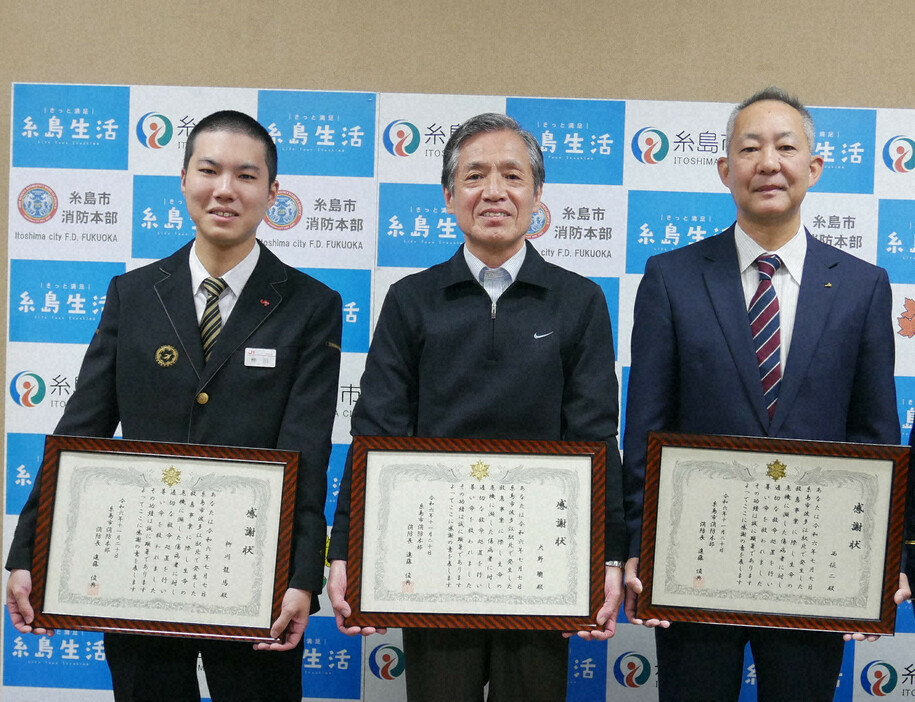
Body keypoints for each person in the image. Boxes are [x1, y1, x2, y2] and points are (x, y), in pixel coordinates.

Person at [5, 110, 342, 702]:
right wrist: (30, 549)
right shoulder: (133, 294)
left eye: (246, 175)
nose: (225, 189)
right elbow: (78, 429)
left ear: (272, 193)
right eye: (209, 170)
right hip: (138, 569)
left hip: (254, 572)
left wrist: (301, 576)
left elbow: (306, 452)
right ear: (183, 180)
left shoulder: (311, 305)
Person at [621, 86, 910, 701]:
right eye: (749, 149)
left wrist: (880, 558)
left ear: (814, 167)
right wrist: (641, 545)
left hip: (815, 564)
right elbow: (646, 426)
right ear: (725, 169)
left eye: (785, 147)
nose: (768, 163)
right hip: (692, 561)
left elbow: (876, 433)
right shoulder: (671, 278)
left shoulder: (862, 287)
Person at [326, 112, 627, 701]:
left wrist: (608, 556)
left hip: (546, 562)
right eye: (475, 176)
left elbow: (595, 437)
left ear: (537, 195)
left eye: (512, 176)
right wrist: (349, 546)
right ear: (449, 195)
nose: (494, 192)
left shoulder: (579, 301)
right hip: (435, 556)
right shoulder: (411, 300)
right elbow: (377, 432)